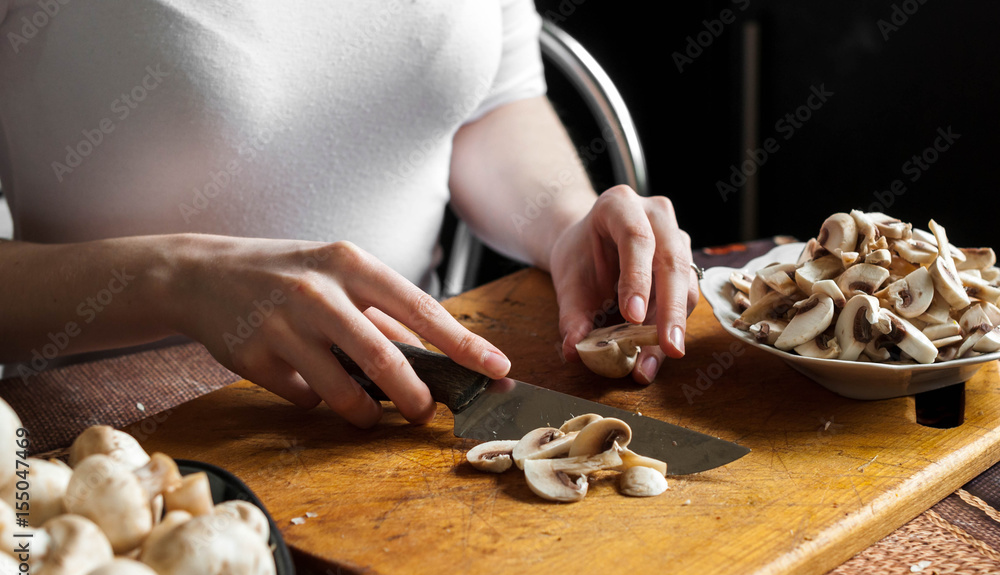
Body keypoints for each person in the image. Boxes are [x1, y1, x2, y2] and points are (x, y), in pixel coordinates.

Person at [0, 0, 699, 429]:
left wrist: (565, 222)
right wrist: (173, 278)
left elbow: (488, 103)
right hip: (109, 446)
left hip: (389, 423)